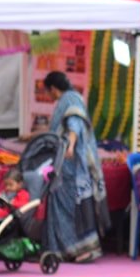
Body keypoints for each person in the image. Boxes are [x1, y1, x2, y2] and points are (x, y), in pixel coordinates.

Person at [43, 71, 109, 263]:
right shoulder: (72, 98)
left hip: (70, 164)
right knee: (69, 205)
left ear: (53, 89)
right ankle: (74, 248)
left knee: (68, 206)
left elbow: (74, 126)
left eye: (48, 92)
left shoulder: (69, 100)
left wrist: (70, 146)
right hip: (67, 164)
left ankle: (75, 248)